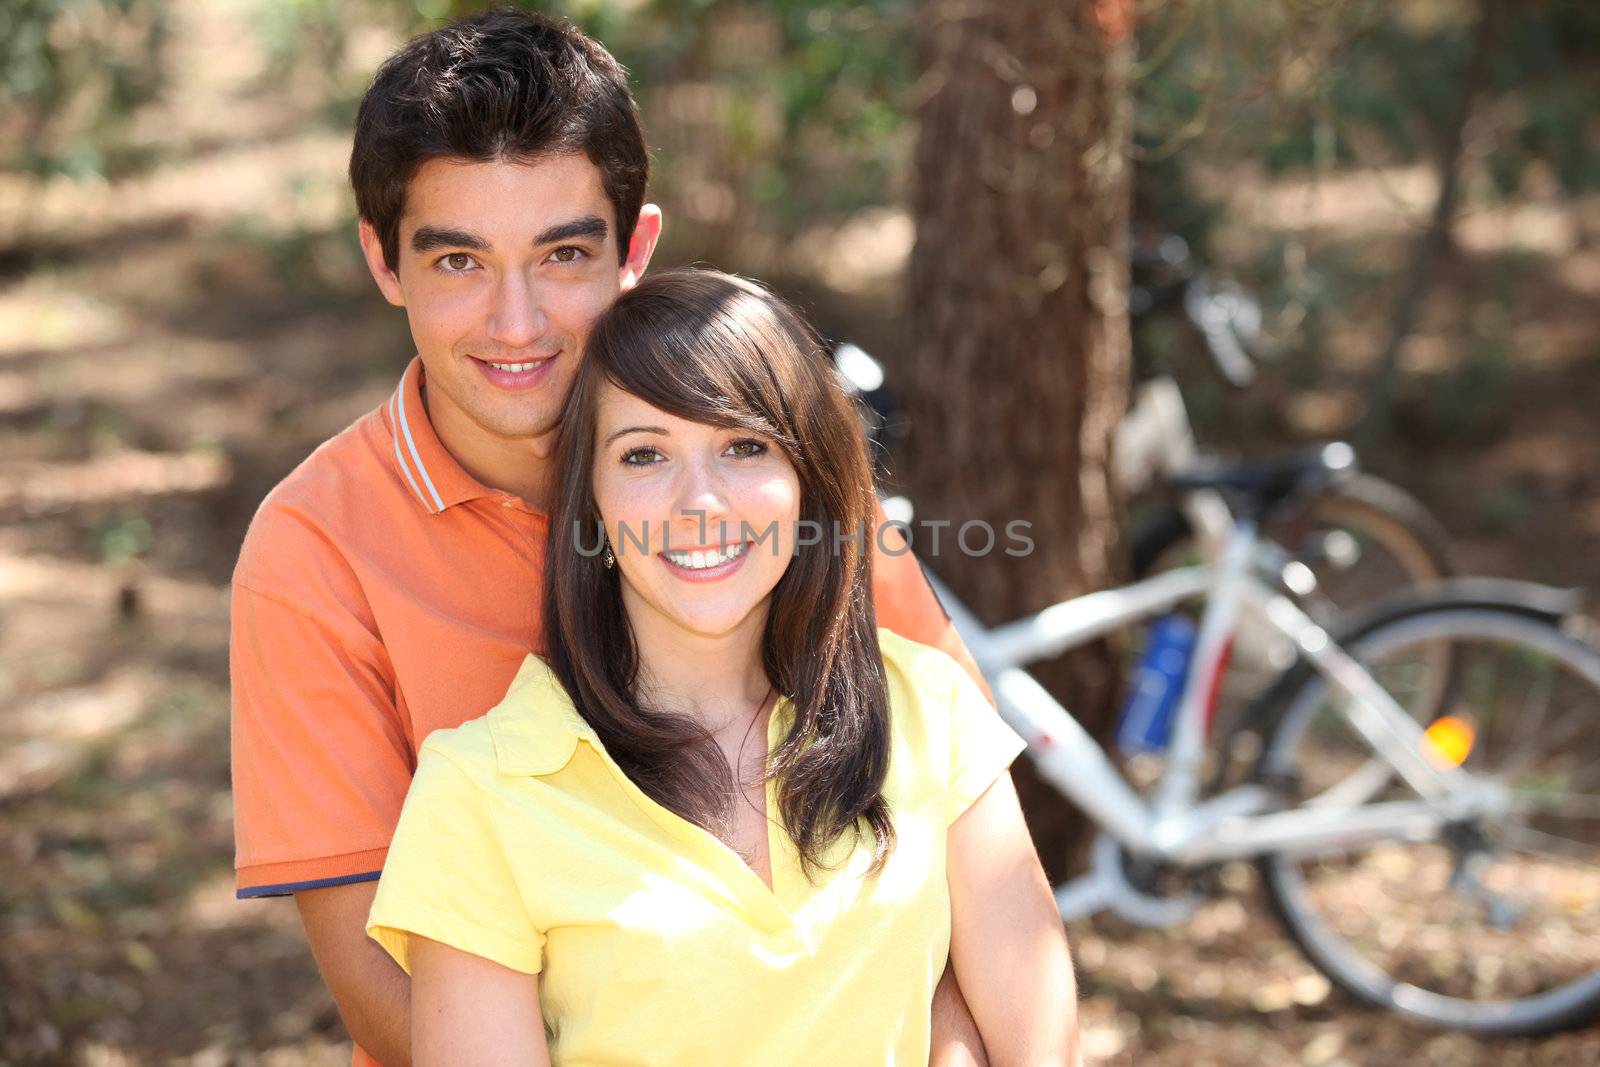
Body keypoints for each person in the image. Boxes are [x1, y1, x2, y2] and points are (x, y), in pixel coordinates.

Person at [230, 11, 1008, 1067]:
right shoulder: (311, 551)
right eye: (458, 260)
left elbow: (954, 817)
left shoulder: (767, 466)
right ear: (384, 261)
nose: (517, 322)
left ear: (635, 247)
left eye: (563, 254)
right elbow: (386, 995)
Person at [365, 269, 1078, 1065]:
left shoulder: (928, 707)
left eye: (744, 446)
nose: (699, 502)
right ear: (589, 502)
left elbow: (1038, 1043)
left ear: (809, 477)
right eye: (643, 455)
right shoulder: (480, 788)